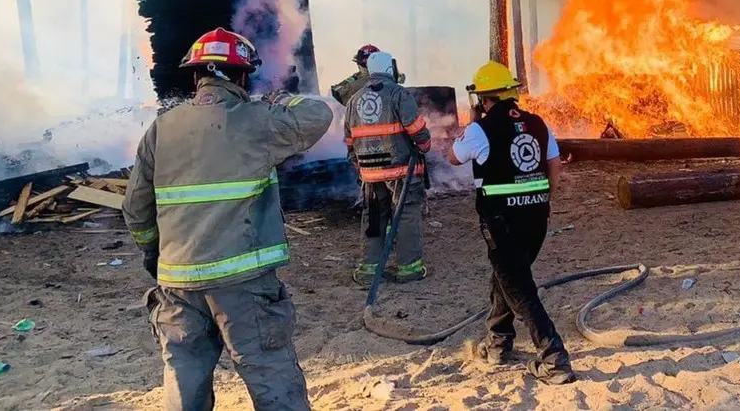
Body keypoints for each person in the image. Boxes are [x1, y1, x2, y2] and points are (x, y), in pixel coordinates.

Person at [122, 27, 334, 411]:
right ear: (241, 77)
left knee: (184, 379)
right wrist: (280, 98)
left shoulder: (161, 128)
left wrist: (155, 253)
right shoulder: (258, 119)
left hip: (178, 282)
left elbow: (135, 208)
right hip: (243, 284)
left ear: (195, 75)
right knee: (269, 372)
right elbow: (318, 114)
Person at [446, 61, 576, 385]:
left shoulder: (481, 129)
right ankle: (500, 342)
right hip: (537, 220)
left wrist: (473, 126)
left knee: (519, 288)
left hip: (501, 222)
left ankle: (554, 358)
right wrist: (537, 198)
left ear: (483, 98)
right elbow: (555, 170)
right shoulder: (539, 124)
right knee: (506, 275)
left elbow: (452, 157)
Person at [344, 50, 432, 285]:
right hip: (400, 169)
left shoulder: (354, 100)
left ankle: (370, 268)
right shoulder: (398, 94)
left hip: (370, 174)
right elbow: (415, 128)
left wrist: (359, 163)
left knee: (373, 217)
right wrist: (425, 144)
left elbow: (349, 139)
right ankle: (409, 267)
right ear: (390, 69)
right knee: (406, 214)